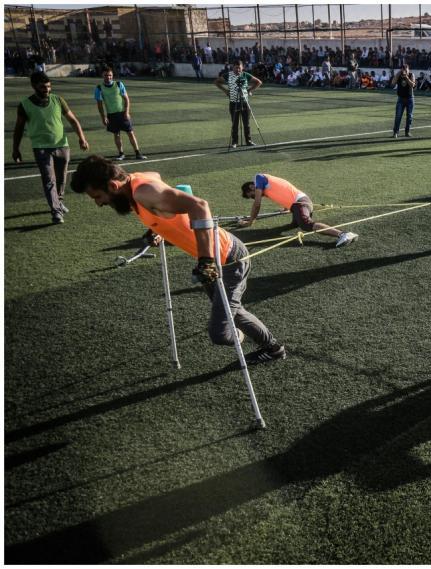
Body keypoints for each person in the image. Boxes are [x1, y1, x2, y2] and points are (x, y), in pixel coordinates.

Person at [70, 155, 286, 365]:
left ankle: (244, 337)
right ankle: (273, 349)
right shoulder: (136, 181)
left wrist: (206, 260)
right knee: (233, 312)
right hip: (213, 261)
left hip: (227, 259)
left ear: (113, 186)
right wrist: (157, 227)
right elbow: (155, 175)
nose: (99, 203)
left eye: (98, 197)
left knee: (220, 332)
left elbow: (199, 206)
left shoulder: (144, 192)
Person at [11, 71, 89, 224]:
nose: (46, 89)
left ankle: (58, 201)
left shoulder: (58, 100)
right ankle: (56, 211)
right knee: (49, 180)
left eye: (48, 86)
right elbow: (18, 129)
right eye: (42, 87)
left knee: (61, 179)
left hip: (62, 145)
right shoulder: (25, 105)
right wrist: (15, 148)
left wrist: (82, 138)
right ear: (34, 86)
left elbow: (73, 120)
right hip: (41, 148)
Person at [238, 174, 358, 248]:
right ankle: (342, 234)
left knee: (306, 224)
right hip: (298, 204)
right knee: (295, 224)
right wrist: (286, 207)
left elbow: (257, 204)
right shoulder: (265, 185)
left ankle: (343, 234)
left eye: (252, 195)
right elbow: (282, 189)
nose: (254, 197)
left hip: (300, 203)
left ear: (252, 187)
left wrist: (250, 222)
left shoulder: (259, 178)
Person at [94, 67, 146, 161]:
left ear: (112, 75)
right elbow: (99, 104)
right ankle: (121, 154)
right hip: (111, 115)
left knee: (130, 133)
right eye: (106, 75)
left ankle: (137, 153)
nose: (108, 77)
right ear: (102, 76)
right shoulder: (99, 88)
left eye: (110, 75)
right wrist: (103, 117)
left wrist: (126, 112)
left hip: (122, 114)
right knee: (116, 134)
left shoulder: (118, 84)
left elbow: (126, 99)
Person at [214, 60, 262, 148]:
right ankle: (234, 142)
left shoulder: (245, 75)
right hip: (233, 102)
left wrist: (249, 90)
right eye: (236, 68)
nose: (238, 70)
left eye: (239, 68)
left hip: (244, 102)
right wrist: (225, 91)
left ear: (242, 67)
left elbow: (259, 82)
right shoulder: (228, 75)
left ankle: (248, 141)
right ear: (233, 68)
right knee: (234, 123)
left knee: (246, 124)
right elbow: (216, 82)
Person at [391, 63, 416, 138]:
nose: (404, 71)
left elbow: (413, 85)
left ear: (408, 69)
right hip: (400, 99)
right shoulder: (399, 75)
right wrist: (397, 74)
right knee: (398, 116)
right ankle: (395, 132)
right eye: (403, 69)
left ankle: (407, 132)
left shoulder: (411, 75)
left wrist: (407, 77)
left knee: (409, 117)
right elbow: (392, 83)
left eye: (406, 69)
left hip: (410, 99)